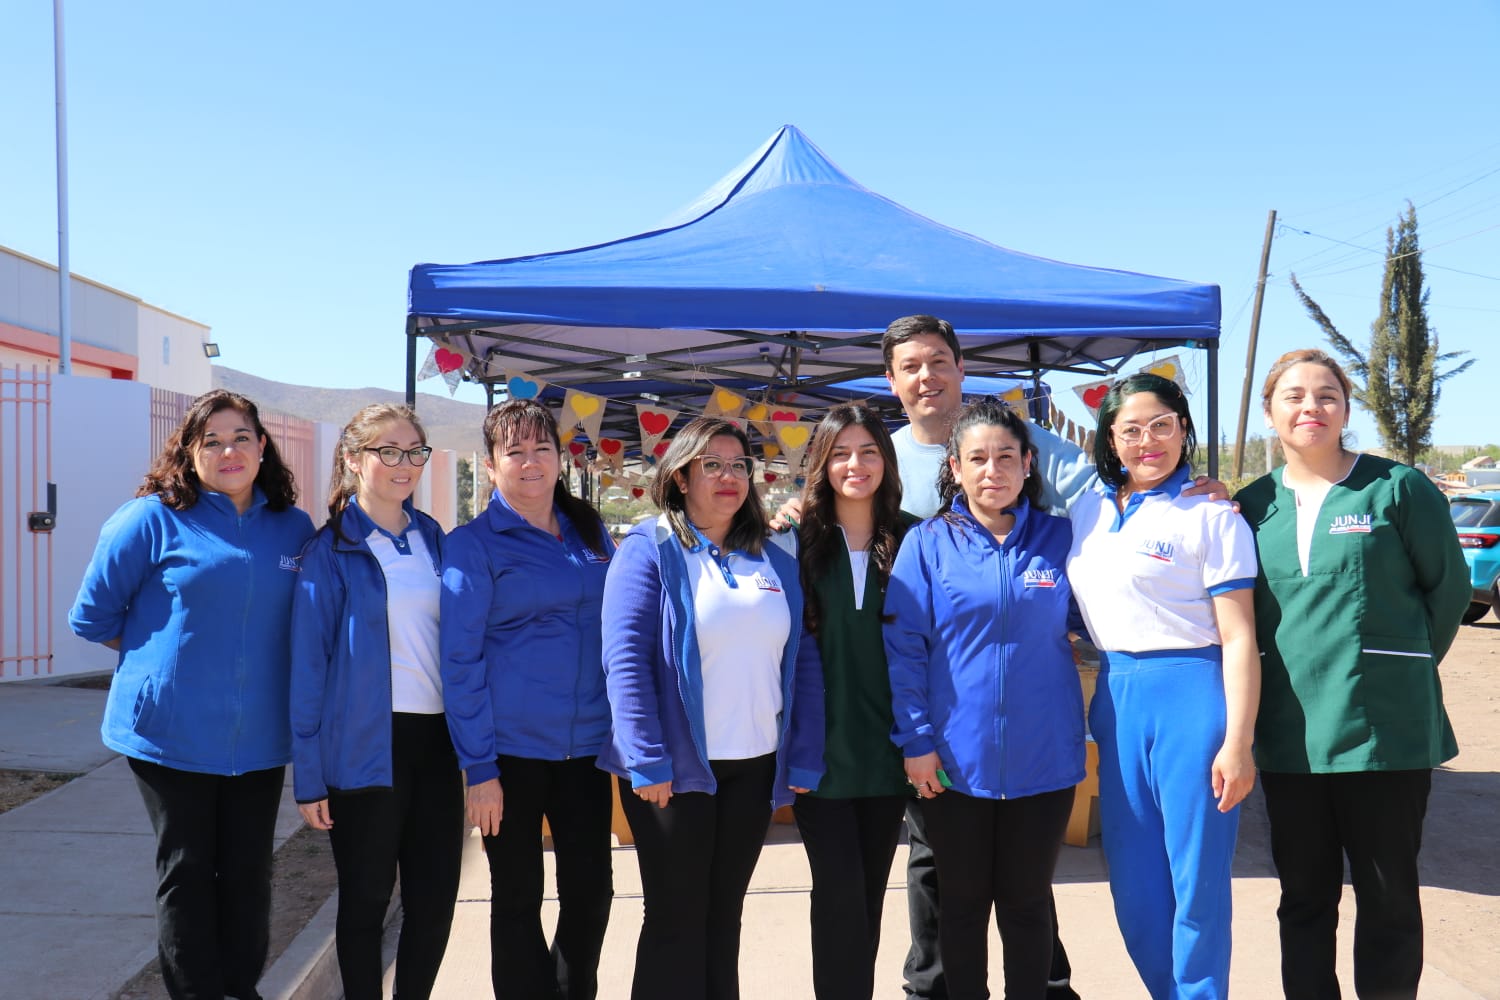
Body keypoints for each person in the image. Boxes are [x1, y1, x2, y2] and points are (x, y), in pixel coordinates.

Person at [1236, 349, 1469, 1000]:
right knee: (1303, 897)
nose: (1310, 407)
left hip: (1385, 732)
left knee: (1388, 897)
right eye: (1293, 396)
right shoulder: (1249, 506)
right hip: (1290, 734)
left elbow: (1448, 592)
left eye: (1327, 395)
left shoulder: (1398, 489)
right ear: (1269, 413)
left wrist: (1397, 671)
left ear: (1345, 408)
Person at [69, 389, 315, 1000]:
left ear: (263, 447)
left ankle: (240, 988)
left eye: (241, 438)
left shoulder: (293, 527)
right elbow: (92, 616)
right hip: (169, 735)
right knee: (187, 873)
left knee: (250, 874)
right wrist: (159, 661)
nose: (229, 451)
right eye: (213, 441)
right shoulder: (150, 518)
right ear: (189, 450)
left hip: (260, 736)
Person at [599, 416, 825, 1000]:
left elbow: (802, 659)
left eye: (739, 465)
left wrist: (803, 754)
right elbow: (625, 659)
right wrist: (646, 759)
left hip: (753, 766)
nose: (729, 477)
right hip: (673, 772)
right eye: (712, 465)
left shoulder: (774, 554)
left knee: (724, 915)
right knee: (676, 919)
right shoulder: (649, 548)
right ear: (680, 477)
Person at [883, 397, 1086, 1000]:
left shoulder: (1062, 539)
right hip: (953, 763)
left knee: (1027, 904)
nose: (992, 470)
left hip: (1044, 759)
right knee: (963, 905)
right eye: (977, 459)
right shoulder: (926, 543)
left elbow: (1104, 609)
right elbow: (904, 649)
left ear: (1028, 464)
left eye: (1005, 457)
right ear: (955, 467)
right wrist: (916, 742)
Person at [1065, 374, 1260, 999]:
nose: (1147, 441)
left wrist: (1238, 742)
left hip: (1193, 696)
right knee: (1134, 881)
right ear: (1109, 439)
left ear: (1183, 430)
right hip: (1116, 695)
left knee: (1196, 879)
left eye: (1161, 426)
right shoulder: (1087, 510)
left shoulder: (1212, 514)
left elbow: (1239, 637)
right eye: (1130, 430)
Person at [440, 399, 616, 1000]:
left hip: (587, 749)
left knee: (591, 894)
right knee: (517, 899)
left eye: (542, 448)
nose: (531, 462)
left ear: (560, 459)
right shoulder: (472, 545)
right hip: (508, 756)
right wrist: (479, 768)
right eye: (514, 452)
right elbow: (459, 661)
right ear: (491, 466)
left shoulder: (589, 531)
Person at [289, 403, 461, 1000]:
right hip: (365, 746)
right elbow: (308, 667)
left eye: (414, 452)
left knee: (434, 903)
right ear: (353, 459)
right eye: (388, 451)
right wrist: (309, 775)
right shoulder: (329, 550)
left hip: (437, 744)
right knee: (365, 902)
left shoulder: (433, 537)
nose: (403, 464)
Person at [790, 404, 915, 1000]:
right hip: (820, 754)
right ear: (821, 463)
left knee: (868, 898)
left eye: (868, 451)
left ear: (886, 461)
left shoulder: (918, 538)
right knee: (838, 896)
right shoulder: (793, 542)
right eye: (840, 453)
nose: (854, 464)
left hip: (892, 753)